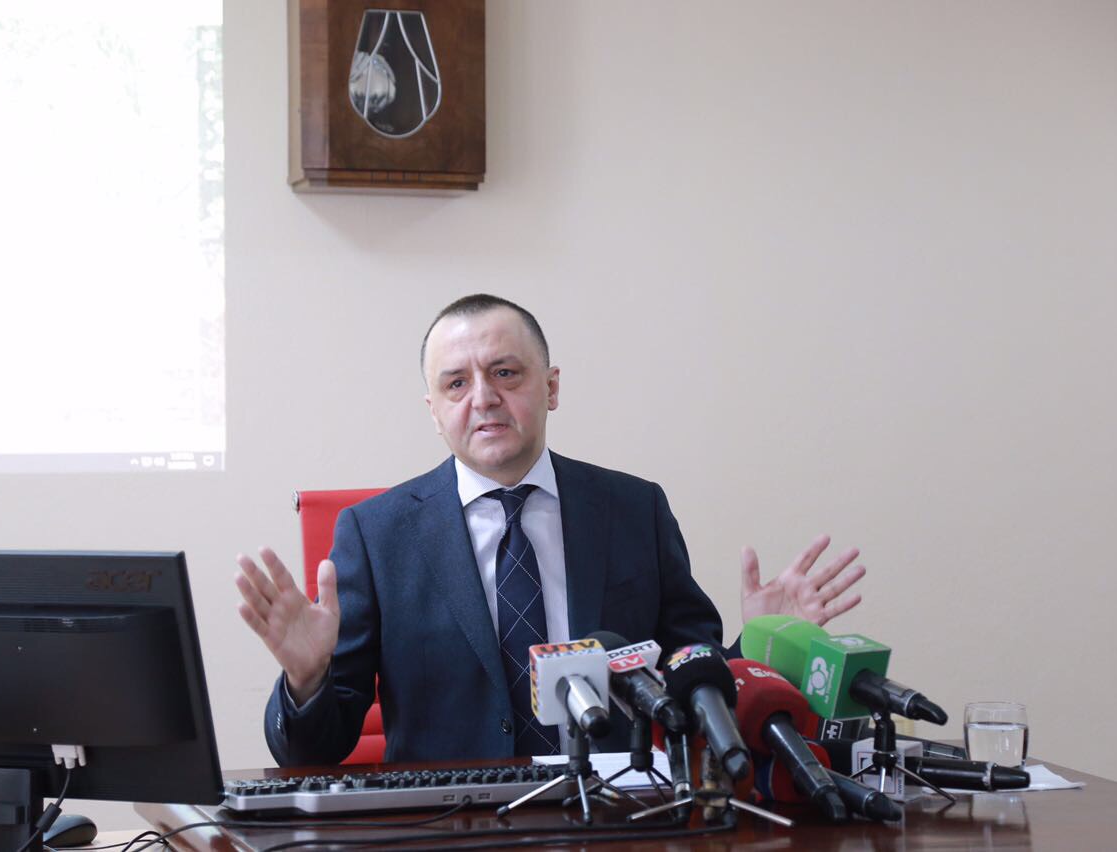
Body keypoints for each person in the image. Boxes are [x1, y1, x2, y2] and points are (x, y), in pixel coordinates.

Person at [235, 295, 865, 765]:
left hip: (618, 815)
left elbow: (687, 673)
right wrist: (307, 680)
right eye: (456, 383)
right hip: (453, 827)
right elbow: (314, 750)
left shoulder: (635, 509)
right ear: (434, 411)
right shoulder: (377, 536)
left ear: (551, 387)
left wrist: (757, 646)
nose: (483, 397)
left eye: (505, 373)